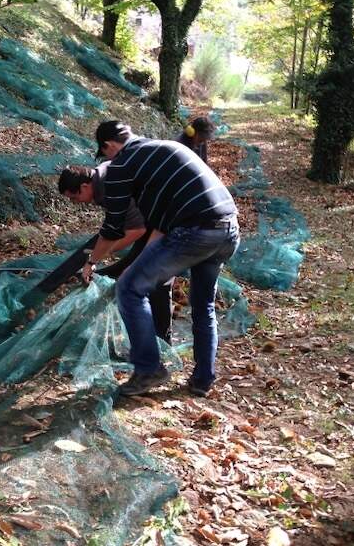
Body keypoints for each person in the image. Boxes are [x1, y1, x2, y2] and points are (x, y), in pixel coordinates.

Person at [84, 120, 239, 397]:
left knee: (129, 289)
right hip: (227, 229)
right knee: (203, 305)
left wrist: (91, 262)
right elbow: (160, 228)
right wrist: (139, 264)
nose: (106, 160)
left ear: (108, 146)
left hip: (196, 231)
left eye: (104, 153)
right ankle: (203, 380)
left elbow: (112, 227)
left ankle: (148, 369)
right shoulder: (162, 148)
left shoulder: (121, 164)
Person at [58, 164, 173, 345]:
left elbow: (136, 231)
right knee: (129, 267)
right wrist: (93, 260)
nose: (76, 202)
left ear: (84, 187)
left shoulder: (108, 187)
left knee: (157, 278)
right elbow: (112, 228)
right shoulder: (101, 179)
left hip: (173, 217)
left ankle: (163, 343)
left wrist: (106, 252)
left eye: (74, 197)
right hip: (153, 218)